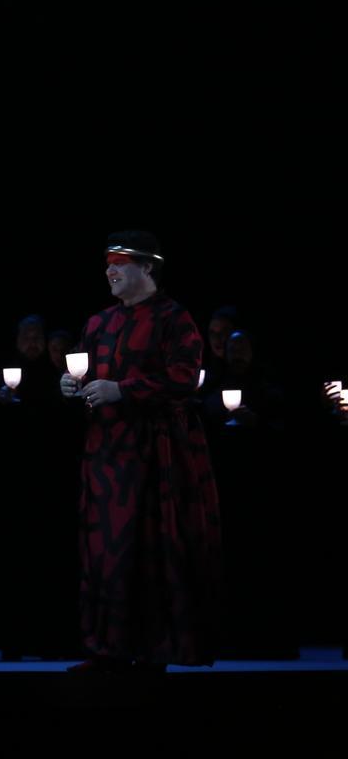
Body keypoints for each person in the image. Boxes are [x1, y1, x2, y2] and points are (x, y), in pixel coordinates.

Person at [60, 231, 222, 672]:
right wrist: (71, 386)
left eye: (119, 261)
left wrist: (123, 390)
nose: (109, 270)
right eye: (106, 263)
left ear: (147, 267)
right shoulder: (98, 323)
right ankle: (106, 648)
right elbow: (86, 371)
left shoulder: (174, 318)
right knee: (104, 550)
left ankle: (154, 650)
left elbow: (185, 377)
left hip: (155, 454)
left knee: (149, 548)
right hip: (105, 454)